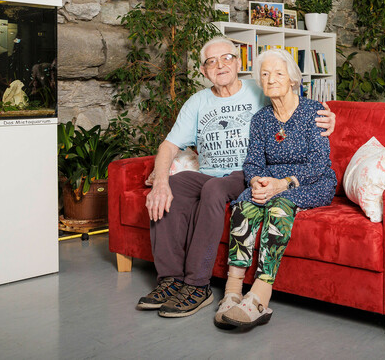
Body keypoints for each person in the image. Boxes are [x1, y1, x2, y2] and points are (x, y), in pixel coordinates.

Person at [137, 37, 336, 318]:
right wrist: (160, 182)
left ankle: (198, 285)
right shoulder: (202, 103)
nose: (220, 65)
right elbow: (170, 145)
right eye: (211, 61)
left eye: (227, 58)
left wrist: (332, 118)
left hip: (242, 175)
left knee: (217, 189)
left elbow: (296, 106)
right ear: (203, 71)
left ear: (238, 62)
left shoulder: (259, 89)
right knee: (175, 185)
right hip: (215, 173)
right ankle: (170, 280)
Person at [214, 48, 337, 329]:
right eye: (265, 74)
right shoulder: (261, 120)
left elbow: (319, 165)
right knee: (243, 206)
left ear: (293, 79)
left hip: (311, 182)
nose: (271, 79)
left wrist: (283, 184)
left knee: (279, 207)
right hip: (271, 182)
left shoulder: (314, 112)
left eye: (278, 73)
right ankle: (233, 291)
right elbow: (254, 162)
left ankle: (260, 293)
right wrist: (257, 180)